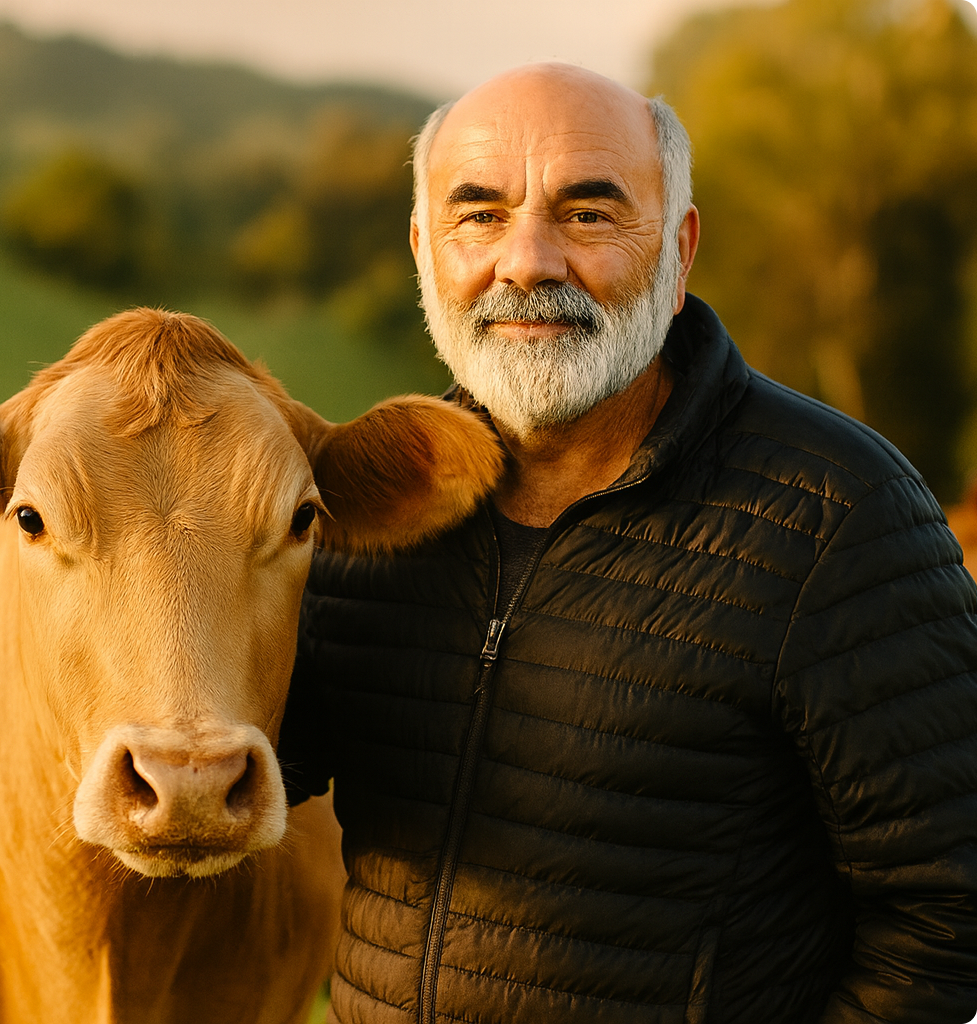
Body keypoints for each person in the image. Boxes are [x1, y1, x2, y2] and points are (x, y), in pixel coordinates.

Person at [281, 63, 977, 1024]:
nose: (527, 262)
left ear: (680, 251)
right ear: (422, 251)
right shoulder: (365, 512)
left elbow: (952, 913)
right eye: (479, 216)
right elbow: (229, 773)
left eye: (587, 215)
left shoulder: (838, 513)